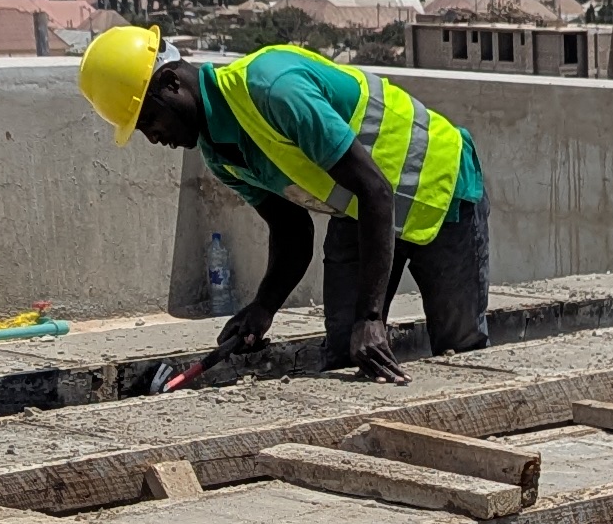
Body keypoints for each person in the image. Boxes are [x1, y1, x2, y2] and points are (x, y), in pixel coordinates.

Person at [77, 23, 489, 381]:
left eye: (149, 119)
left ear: (171, 83)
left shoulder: (273, 89)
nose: (153, 137)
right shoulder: (221, 157)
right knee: (347, 353)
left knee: (459, 351)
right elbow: (292, 231)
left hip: (441, 188)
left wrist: (371, 316)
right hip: (361, 211)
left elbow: (376, 189)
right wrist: (264, 306)